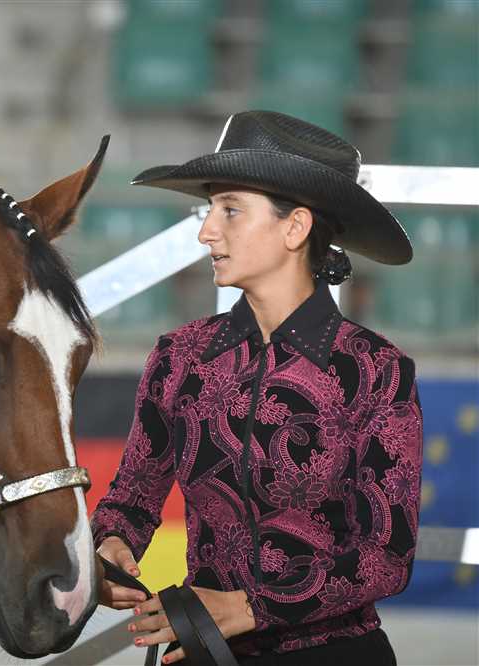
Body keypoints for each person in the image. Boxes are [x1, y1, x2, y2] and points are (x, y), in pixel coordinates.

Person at [91, 111, 423, 665]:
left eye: (230, 209)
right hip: (204, 651)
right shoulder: (180, 357)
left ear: (295, 228)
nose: (205, 232)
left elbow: (386, 558)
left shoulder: (376, 370)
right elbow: (132, 498)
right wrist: (113, 545)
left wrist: (246, 609)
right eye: (209, 209)